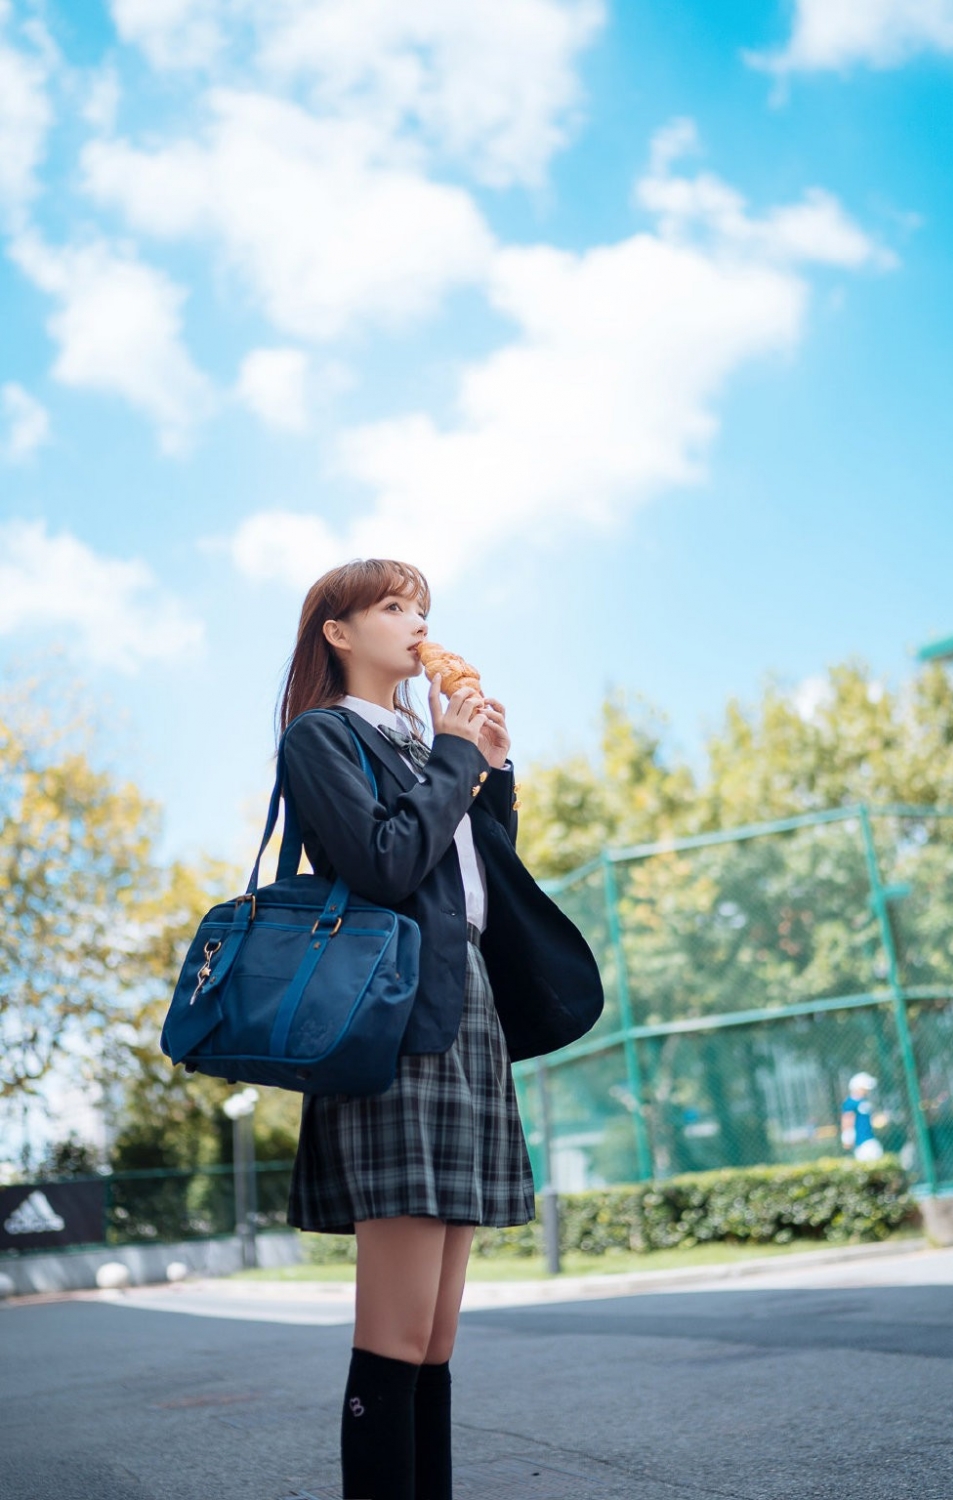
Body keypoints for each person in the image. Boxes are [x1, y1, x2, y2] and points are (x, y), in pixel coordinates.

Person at [277, 558, 602, 1500]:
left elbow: (471, 881)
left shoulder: (427, 743)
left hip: (467, 1008)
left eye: (421, 607)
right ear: (339, 632)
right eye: (392, 606)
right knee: (394, 1332)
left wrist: (486, 770)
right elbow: (385, 866)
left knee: (436, 1336)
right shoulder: (322, 736)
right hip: (392, 1020)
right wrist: (456, 757)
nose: (416, 622)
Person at [841, 1072, 884, 1162]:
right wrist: (847, 1138)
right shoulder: (850, 1103)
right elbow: (847, 1121)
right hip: (861, 1142)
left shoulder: (863, 1101)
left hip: (869, 1138)